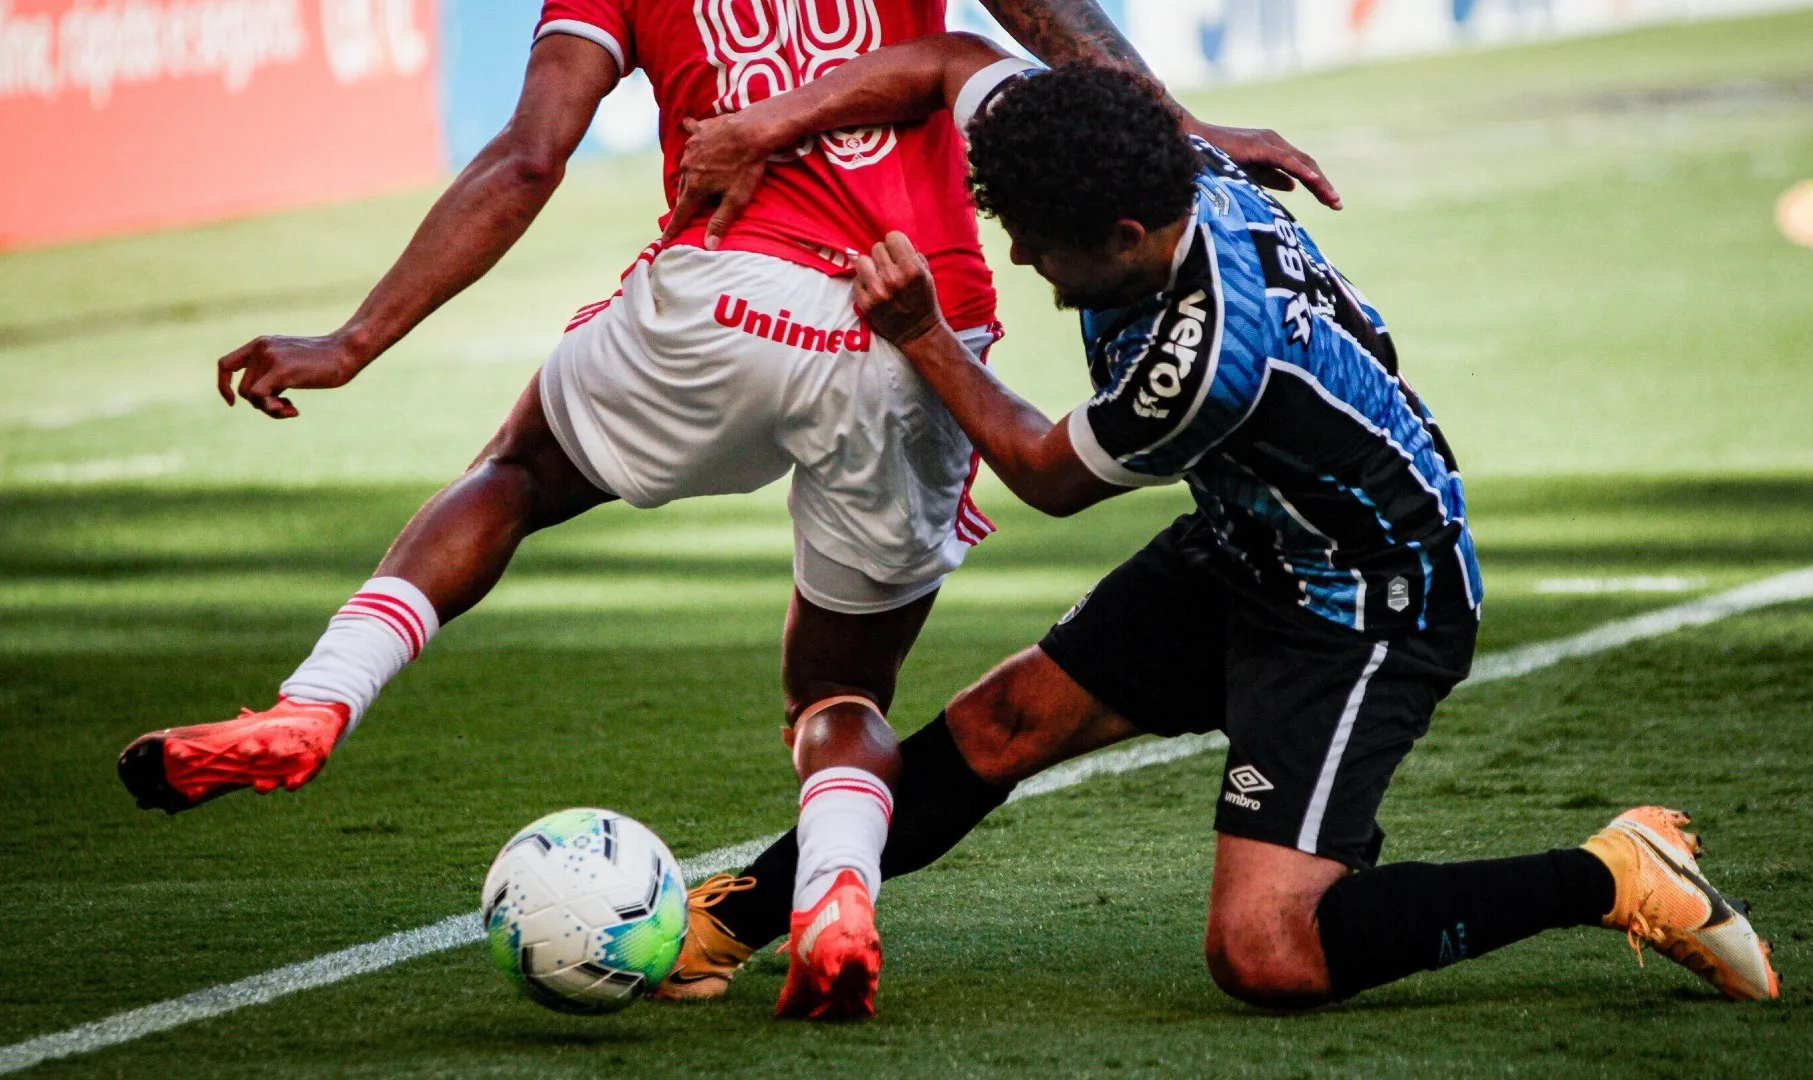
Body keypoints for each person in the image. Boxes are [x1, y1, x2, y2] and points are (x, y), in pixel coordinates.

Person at [113, 1, 1340, 1021]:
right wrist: (1178, 129)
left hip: (724, 295)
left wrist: (353, 340)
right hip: (915, 328)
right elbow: (1010, 28)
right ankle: (835, 896)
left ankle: (318, 700)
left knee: (518, 475)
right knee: (838, 696)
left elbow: (529, 156)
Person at [663, 36, 1782, 1007]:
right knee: (1001, 722)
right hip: (1255, 543)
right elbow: (956, 58)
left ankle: (1612, 872)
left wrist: (923, 335)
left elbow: (1047, 476)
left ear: (1126, 231)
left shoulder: (1208, 360)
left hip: (1366, 600)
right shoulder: (1139, 155)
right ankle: (726, 923)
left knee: (1266, 953)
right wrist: (765, 126)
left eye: (1042, 245)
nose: (1020, 260)